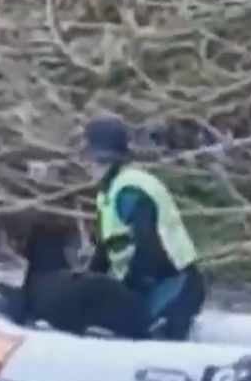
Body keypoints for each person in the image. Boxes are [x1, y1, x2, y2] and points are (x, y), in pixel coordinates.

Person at [82, 116, 206, 340]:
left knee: (146, 333)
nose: (88, 166)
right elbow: (104, 252)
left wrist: (126, 290)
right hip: (146, 287)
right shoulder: (107, 193)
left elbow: (149, 249)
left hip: (174, 287)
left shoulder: (131, 190)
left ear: (102, 158)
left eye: (91, 160)